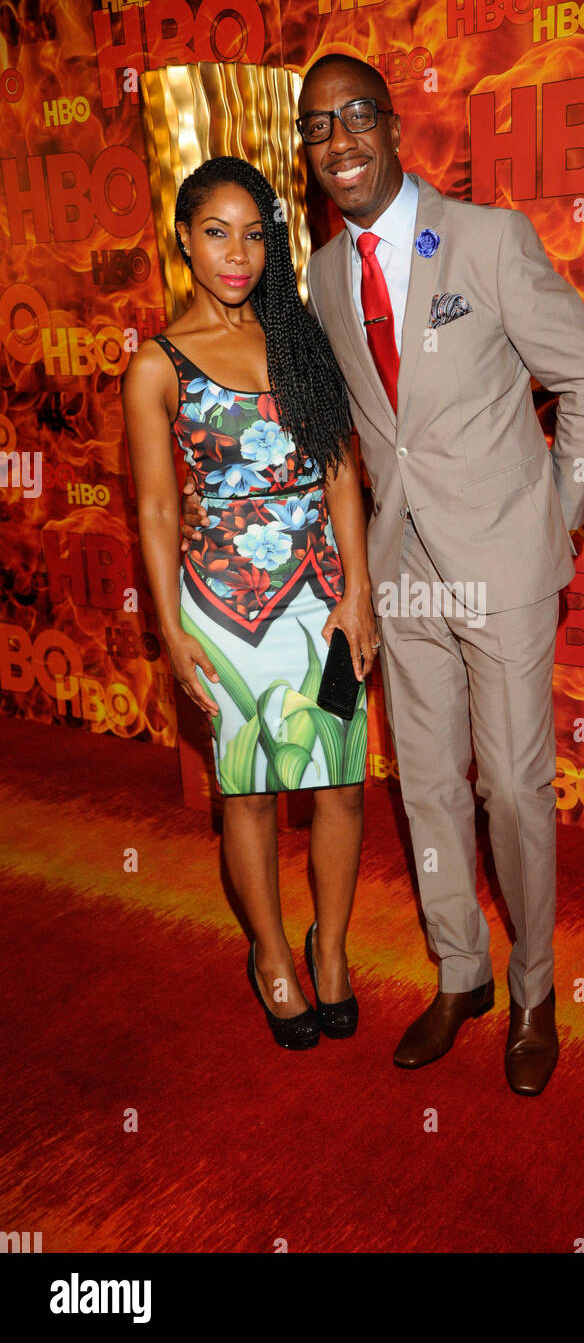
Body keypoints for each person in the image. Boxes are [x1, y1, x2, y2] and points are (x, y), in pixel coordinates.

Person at [183, 59, 584, 1094]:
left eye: (352, 119)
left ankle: (532, 989)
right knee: (425, 787)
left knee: (512, 789)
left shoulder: (488, 238)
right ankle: (459, 971)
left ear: (390, 126)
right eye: (314, 128)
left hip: (503, 563)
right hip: (400, 573)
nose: (335, 143)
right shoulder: (324, 280)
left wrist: (555, 517)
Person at [123, 155, 378, 1051]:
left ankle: (332, 949)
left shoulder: (300, 339)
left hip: (322, 601)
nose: (238, 253)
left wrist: (358, 596)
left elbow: (343, 473)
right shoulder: (157, 366)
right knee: (253, 797)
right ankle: (271, 954)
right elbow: (156, 509)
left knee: (341, 784)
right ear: (185, 240)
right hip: (221, 611)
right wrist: (169, 630)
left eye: (256, 234)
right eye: (216, 232)